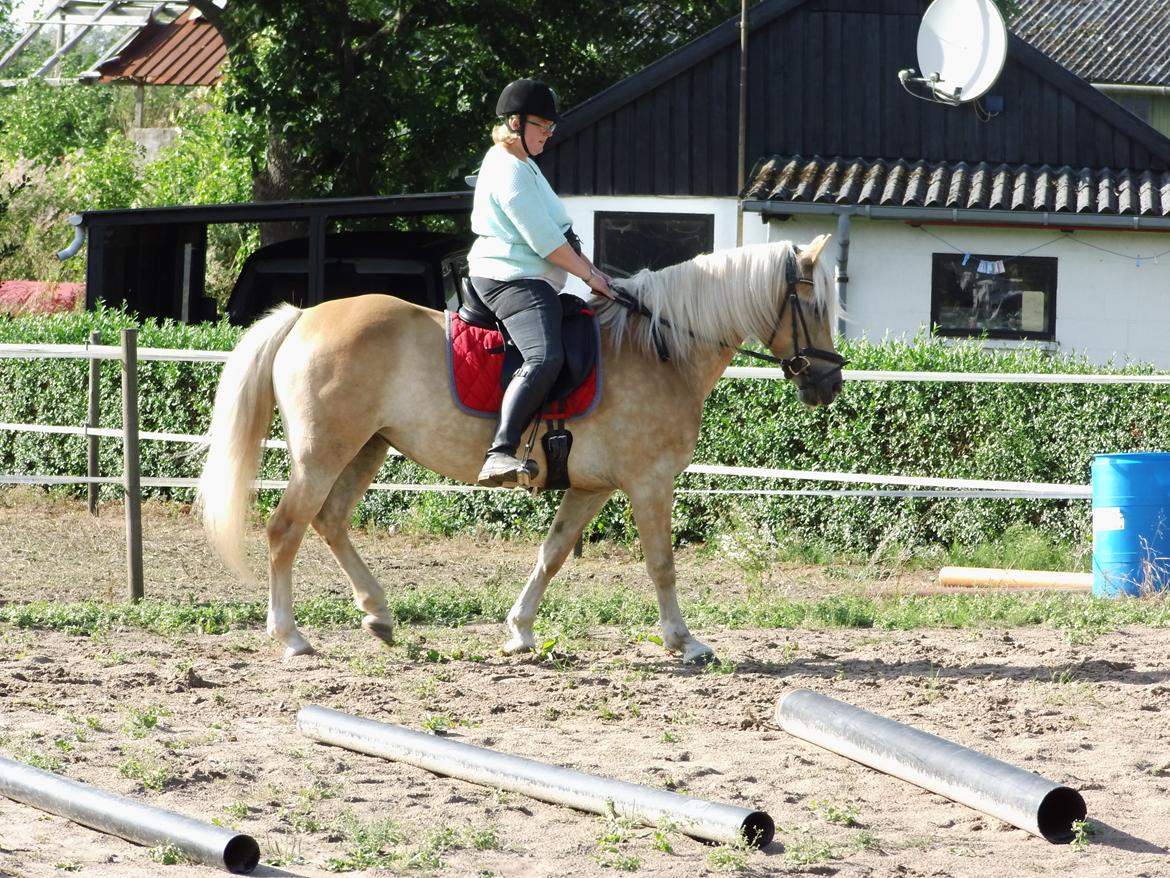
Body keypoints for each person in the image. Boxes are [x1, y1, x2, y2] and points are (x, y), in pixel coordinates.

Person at [467, 78, 615, 488]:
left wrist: (596, 274)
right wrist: (587, 275)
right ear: (515, 123)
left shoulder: (526, 165)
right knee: (544, 357)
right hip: (509, 279)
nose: (549, 135)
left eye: (552, 128)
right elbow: (545, 241)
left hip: (533, 279)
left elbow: (561, 232)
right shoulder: (507, 169)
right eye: (542, 126)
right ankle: (499, 452)